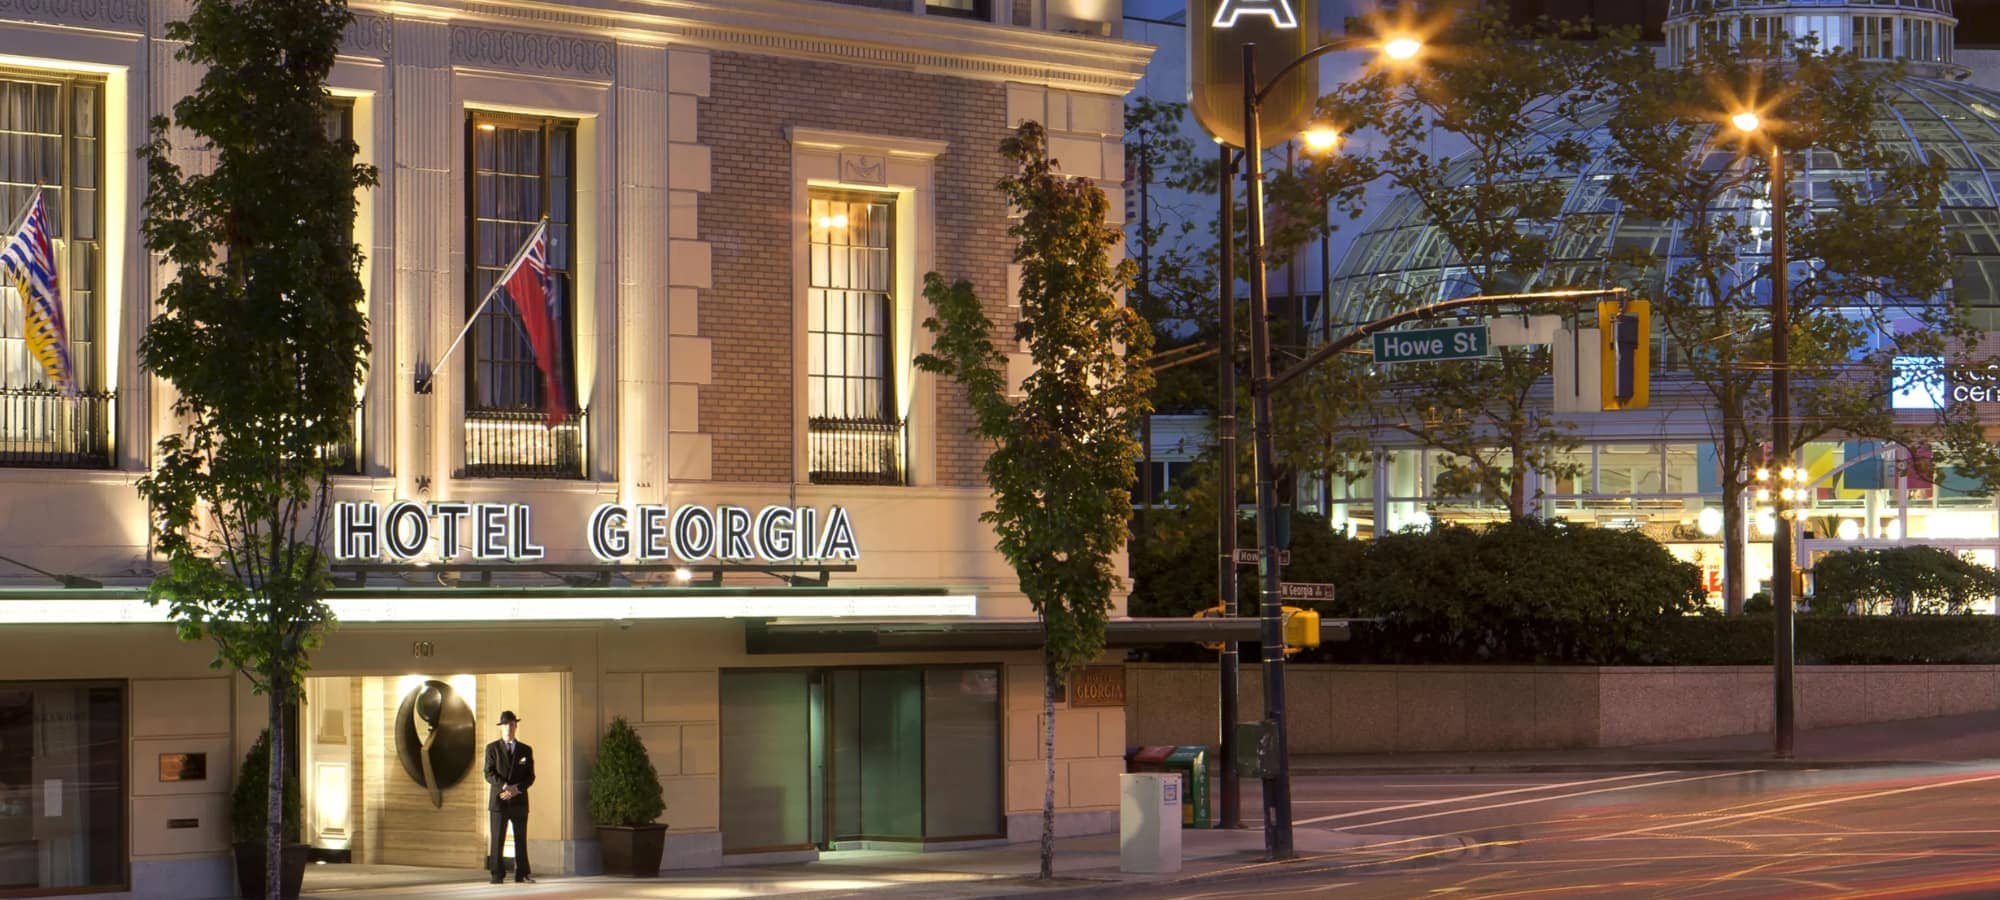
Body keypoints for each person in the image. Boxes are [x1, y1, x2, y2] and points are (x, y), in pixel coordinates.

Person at [483, 710, 535, 884]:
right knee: (497, 838)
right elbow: (488, 773)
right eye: (505, 725)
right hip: (499, 800)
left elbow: (530, 777)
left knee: (521, 838)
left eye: (511, 724)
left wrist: (516, 789)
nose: (508, 728)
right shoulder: (492, 748)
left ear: (516, 726)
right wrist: (505, 787)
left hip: (519, 800)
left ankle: (523, 873)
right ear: (501, 727)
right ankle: (497, 875)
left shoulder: (525, 750)